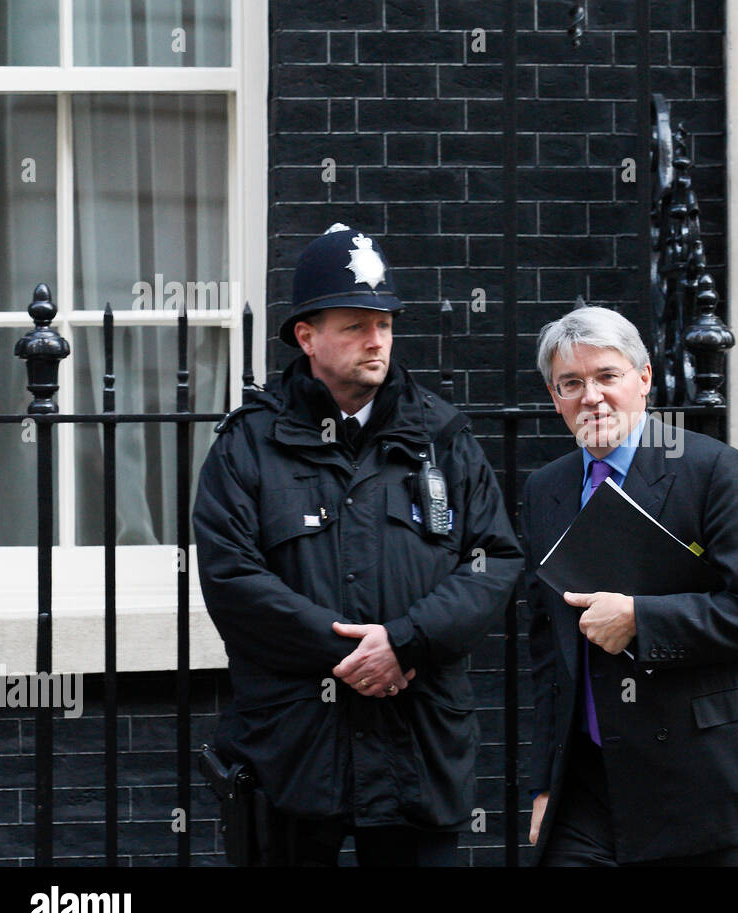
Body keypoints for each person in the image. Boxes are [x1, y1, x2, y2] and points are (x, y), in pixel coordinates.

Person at [193, 223, 523, 866]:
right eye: (354, 325)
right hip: (293, 751)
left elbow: (495, 559)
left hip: (418, 748)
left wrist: (406, 640)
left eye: (385, 323)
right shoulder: (247, 444)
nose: (377, 340)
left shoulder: (444, 436)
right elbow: (231, 578)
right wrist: (356, 653)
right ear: (306, 336)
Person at [521, 306, 738, 866]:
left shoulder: (712, 469)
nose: (592, 397)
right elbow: (547, 655)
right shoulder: (545, 490)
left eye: (607, 376)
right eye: (571, 384)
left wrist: (641, 620)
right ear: (555, 397)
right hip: (588, 792)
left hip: (705, 783)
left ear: (644, 378)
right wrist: (543, 785)